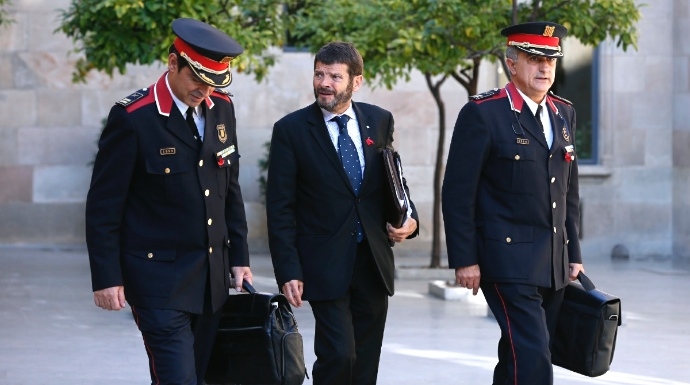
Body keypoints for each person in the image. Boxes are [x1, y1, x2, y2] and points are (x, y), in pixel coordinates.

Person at [85, 18, 252, 385]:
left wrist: (238, 256)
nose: (204, 91)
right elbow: (104, 205)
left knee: (202, 377)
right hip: (157, 280)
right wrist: (107, 277)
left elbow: (230, 186)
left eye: (213, 83)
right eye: (197, 79)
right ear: (172, 62)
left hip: (211, 279)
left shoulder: (221, 108)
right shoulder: (133, 117)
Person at [266, 41, 419, 384]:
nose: (324, 82)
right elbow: (279, 208)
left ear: (356, 82)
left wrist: (410, 219)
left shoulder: (379, 121)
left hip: (373, 261)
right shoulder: (290, 131)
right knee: (339, 354)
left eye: (335, 76)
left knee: (365, 360)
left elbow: (394, 179)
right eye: (319, 74)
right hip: (324, 263)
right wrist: (288, 270)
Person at [442, 22, 585, 385]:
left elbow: (569, 190)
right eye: (534, 59)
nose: (544, 68)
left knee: (520, 354)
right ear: (512, 63)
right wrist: (464, 259)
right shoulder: (484, 113)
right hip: (505, 261)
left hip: (551, 261)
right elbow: (458, 193)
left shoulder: (563, 113)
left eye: (551, 60)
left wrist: (574, 252)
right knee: (535, 358)